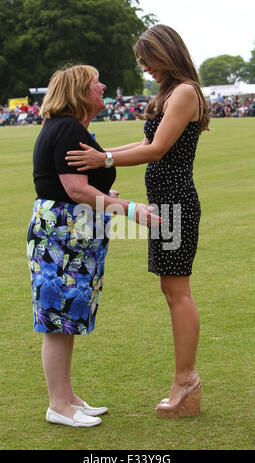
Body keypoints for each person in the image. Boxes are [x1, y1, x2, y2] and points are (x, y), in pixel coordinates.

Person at [65, 25, 210, 418]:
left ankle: (186, 381)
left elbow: (158, 149)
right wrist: (102, 152)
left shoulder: (183, 92)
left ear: (165, 53)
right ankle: (185, 380)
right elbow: (145, 143)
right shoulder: (170, 92)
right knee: (172, 290)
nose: (143, 66)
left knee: (178, 293)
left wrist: (104, 159)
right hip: (166, 203)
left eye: (147, 59)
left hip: (176, 203)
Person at [27, 64, 161, 428]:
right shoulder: (68, 127)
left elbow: (78, 186)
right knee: (57, 320)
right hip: (62, 233)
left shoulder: (72, 127)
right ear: (80, 91)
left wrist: (104, 196)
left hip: (72, 229)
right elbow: (74, 189)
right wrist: (132, 209)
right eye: (95, 82)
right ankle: (58, 404)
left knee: (67, 317)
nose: (103, 86)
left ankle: (68, 398)